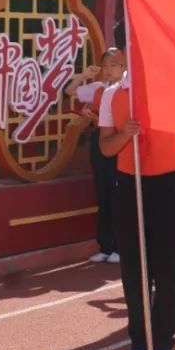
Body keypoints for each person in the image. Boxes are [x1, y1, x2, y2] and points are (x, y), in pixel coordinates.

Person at [98, 74, 175, 350]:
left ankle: (162, 345)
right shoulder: (113, 94)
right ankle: (138, 343)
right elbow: (106, 147)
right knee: (134, 271)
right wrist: (125, 134)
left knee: (167, 268)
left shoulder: (172, 84)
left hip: (168, 184)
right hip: (129, 185)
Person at [66, 48, 126, 263]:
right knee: (103, 194)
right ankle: (106, 246)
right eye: (106, 66)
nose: (109, 70)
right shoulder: (99, 88)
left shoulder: (127, 90)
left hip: (120, 144)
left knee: (119, 196)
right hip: (100, 143)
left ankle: (121, 247)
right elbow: (70, 91)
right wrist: (84, 76)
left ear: (123, 66)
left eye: (114, 65)